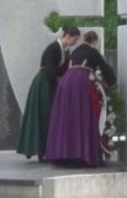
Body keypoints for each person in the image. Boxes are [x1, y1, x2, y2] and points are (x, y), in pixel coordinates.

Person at [44, 31, 116, 167]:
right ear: (95, 42)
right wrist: (112, 82)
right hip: (80, 84)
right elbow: (105, 68)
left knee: (67, 119)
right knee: (81, 117)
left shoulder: (75, 51)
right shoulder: (93, 52)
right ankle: (81, 154)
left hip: (65, 84)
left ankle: (63, 154)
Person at [16, 26, 80, 160]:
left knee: (50, 117)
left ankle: (48, 150)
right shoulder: (53, 49)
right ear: (67, 36)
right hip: (44, 85)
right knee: (44, 116)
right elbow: (50, 71)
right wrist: (67, 71)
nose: (74, 43)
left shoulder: (64, 51)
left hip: (50, 84)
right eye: (74, 40)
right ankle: (42, 151)